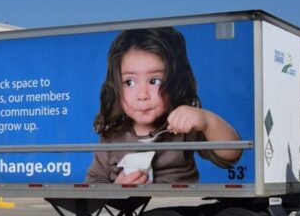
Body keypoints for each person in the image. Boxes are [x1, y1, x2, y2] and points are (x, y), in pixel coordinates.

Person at [85, 27, 241, 184]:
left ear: (175, 83)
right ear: (115, 87)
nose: (143, 95)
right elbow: (92, 187)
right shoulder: (112, 137)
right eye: (129, 82)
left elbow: (231, 154)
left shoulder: (182, 125)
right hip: (130, 205)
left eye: (154, 81)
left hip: (180, 204)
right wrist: (117, 190)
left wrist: (208, 122)